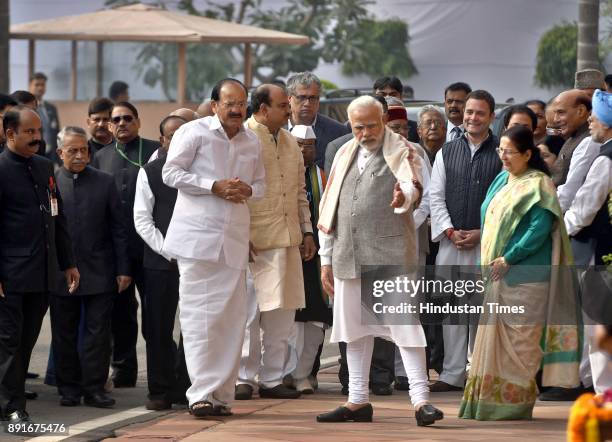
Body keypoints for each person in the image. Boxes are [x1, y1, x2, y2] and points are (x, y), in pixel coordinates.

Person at [316, 95, 443, 426]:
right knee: (353, 330)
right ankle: (357, 401)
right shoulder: (343, 152)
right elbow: (330, 207)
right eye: (358, 126)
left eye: (372, 125)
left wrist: (405, 198)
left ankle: (420, 402)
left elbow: (414, 187)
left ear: (383, 120)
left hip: (390, 256)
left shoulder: (403, 150)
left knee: (405, 327)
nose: (366, 132)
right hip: (348, 254)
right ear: (350, 124)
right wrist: (325, 259)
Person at [459, 125, 580, 420]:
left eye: (510, 152)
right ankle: (486, 403)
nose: (503, 156)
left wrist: (509, 257)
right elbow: (488, 218)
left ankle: (513, 405)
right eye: (501, 150)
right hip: (496, 274)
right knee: (492, 343)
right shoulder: (502, 179)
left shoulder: (539, 184)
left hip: (526, 273)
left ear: (528, 154)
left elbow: (539, 229)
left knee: (521, 344)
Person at [162, 78, 265, 417]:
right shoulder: (193, 132)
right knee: (199, 320)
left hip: (234, 241)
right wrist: (213, 186)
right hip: (197, 241)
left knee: (232, 321)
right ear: (215, 104)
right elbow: (170, 173)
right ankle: (200, 394)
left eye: (242, 103)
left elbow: (261, 185)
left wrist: (247, 191)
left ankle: (221, 396)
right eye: (230, 103)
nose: (237, 109)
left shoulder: (252, 140)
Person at [0, 106, 79, 424]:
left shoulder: (45, 166)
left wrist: (68, 262)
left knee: (27, 339)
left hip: (43, 273)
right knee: (9, 340)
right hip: (10, 274)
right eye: (29, 132)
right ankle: (12, 405)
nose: (37, 138)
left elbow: (56, 217)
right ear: (9, 134)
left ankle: (10, 396)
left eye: (38, 131)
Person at [236, 84, 314, 400]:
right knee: (248, 316)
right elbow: (236, 193)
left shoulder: (291, 143)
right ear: (263, 108)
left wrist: (307, 232)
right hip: (253, 242)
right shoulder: (242, 140)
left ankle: (272, 379)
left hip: (288, 239)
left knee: (282, 315)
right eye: (284, 105)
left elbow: (299, 193)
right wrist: (240, 235)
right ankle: (244, 377)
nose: (290, 109)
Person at [50, 126, 130, 409]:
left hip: (100, 270)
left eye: (84, 149)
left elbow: (119, 229)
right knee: (64, 332)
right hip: (60, 272)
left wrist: (124, 269)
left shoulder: (104, 182)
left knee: (98, 334)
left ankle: (94, 388)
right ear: (60, 152)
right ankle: (68, 388)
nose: (81, 155)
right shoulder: (50, 182)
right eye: (73, 150)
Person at [429, 90, 502, 392]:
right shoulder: (447, 151)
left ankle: (479, 374)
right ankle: (452, 374)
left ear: (491, 117)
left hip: (487, 245)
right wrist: (449, 231)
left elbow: (505, 201)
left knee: (482, 312)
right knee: (452, 310)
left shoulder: (501, 153)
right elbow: (435, 196)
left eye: (479, 113)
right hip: (451, 242)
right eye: (469, 112)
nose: (472, 118)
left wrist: (482, 233)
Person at [91, 102, 160, 388]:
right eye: (115, 120)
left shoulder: (155, 151)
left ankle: (161, 371)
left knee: (156, 313)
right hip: (116, 252)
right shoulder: (100, 157)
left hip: (151, 247)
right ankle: (124, 369)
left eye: (127, 118)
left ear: (138, 122)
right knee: (121, 313)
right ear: (109, 125)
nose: (121, 123)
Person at [134, 115, 190, 410]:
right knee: (158, 327)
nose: (178, 141)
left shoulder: (199, 170)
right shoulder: (150, 172)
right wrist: (169, 250)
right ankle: (159, 389)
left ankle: (186, 387)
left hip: (195, 261)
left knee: (193, 328)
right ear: (162, 140)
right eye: (172, 136)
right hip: (160, 262)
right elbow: (142, 220)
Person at [564, 89, 612, 396]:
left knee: (599, 332)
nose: (590, 119)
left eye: (595, 114)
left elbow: (582, 211)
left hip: (603, 261)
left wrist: (556, 229)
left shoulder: (605, 161)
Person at [288, 124, 333, 394]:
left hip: (317, 257)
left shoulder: (323, 176)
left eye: (310, 144)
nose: (306, 149)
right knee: (289, 321)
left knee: (316, 320)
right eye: (299, 144)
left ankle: (304, 374)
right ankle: (285, 373)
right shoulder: (279, 174)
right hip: (288, 254)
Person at [287, 72, 350, 168]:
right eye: (302, 97)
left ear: (319, 99)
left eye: (312, 98)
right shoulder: (273, 129)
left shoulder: (338, 132)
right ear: (289, 98)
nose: (307, 103)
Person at [550, 90, 591, 186]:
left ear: (580, 111)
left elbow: (570, 189)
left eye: (561, 112)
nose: (555, 119)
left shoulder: (588, 141)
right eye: (555, 113)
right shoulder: (572, 138)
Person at [373, 76, 419, 142]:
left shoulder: (415, 129)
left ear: (401, 97)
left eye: (393, 95)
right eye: (382, 95)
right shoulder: (365, 130)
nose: (387, 98)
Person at [29, 72, 60, 153]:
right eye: (37, 85)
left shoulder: (52, 108)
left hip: (51, 153)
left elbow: (57, 132)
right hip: (33, 152)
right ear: (30, 86)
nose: (40, 88)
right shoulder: (25, 108)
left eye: (42, 85)